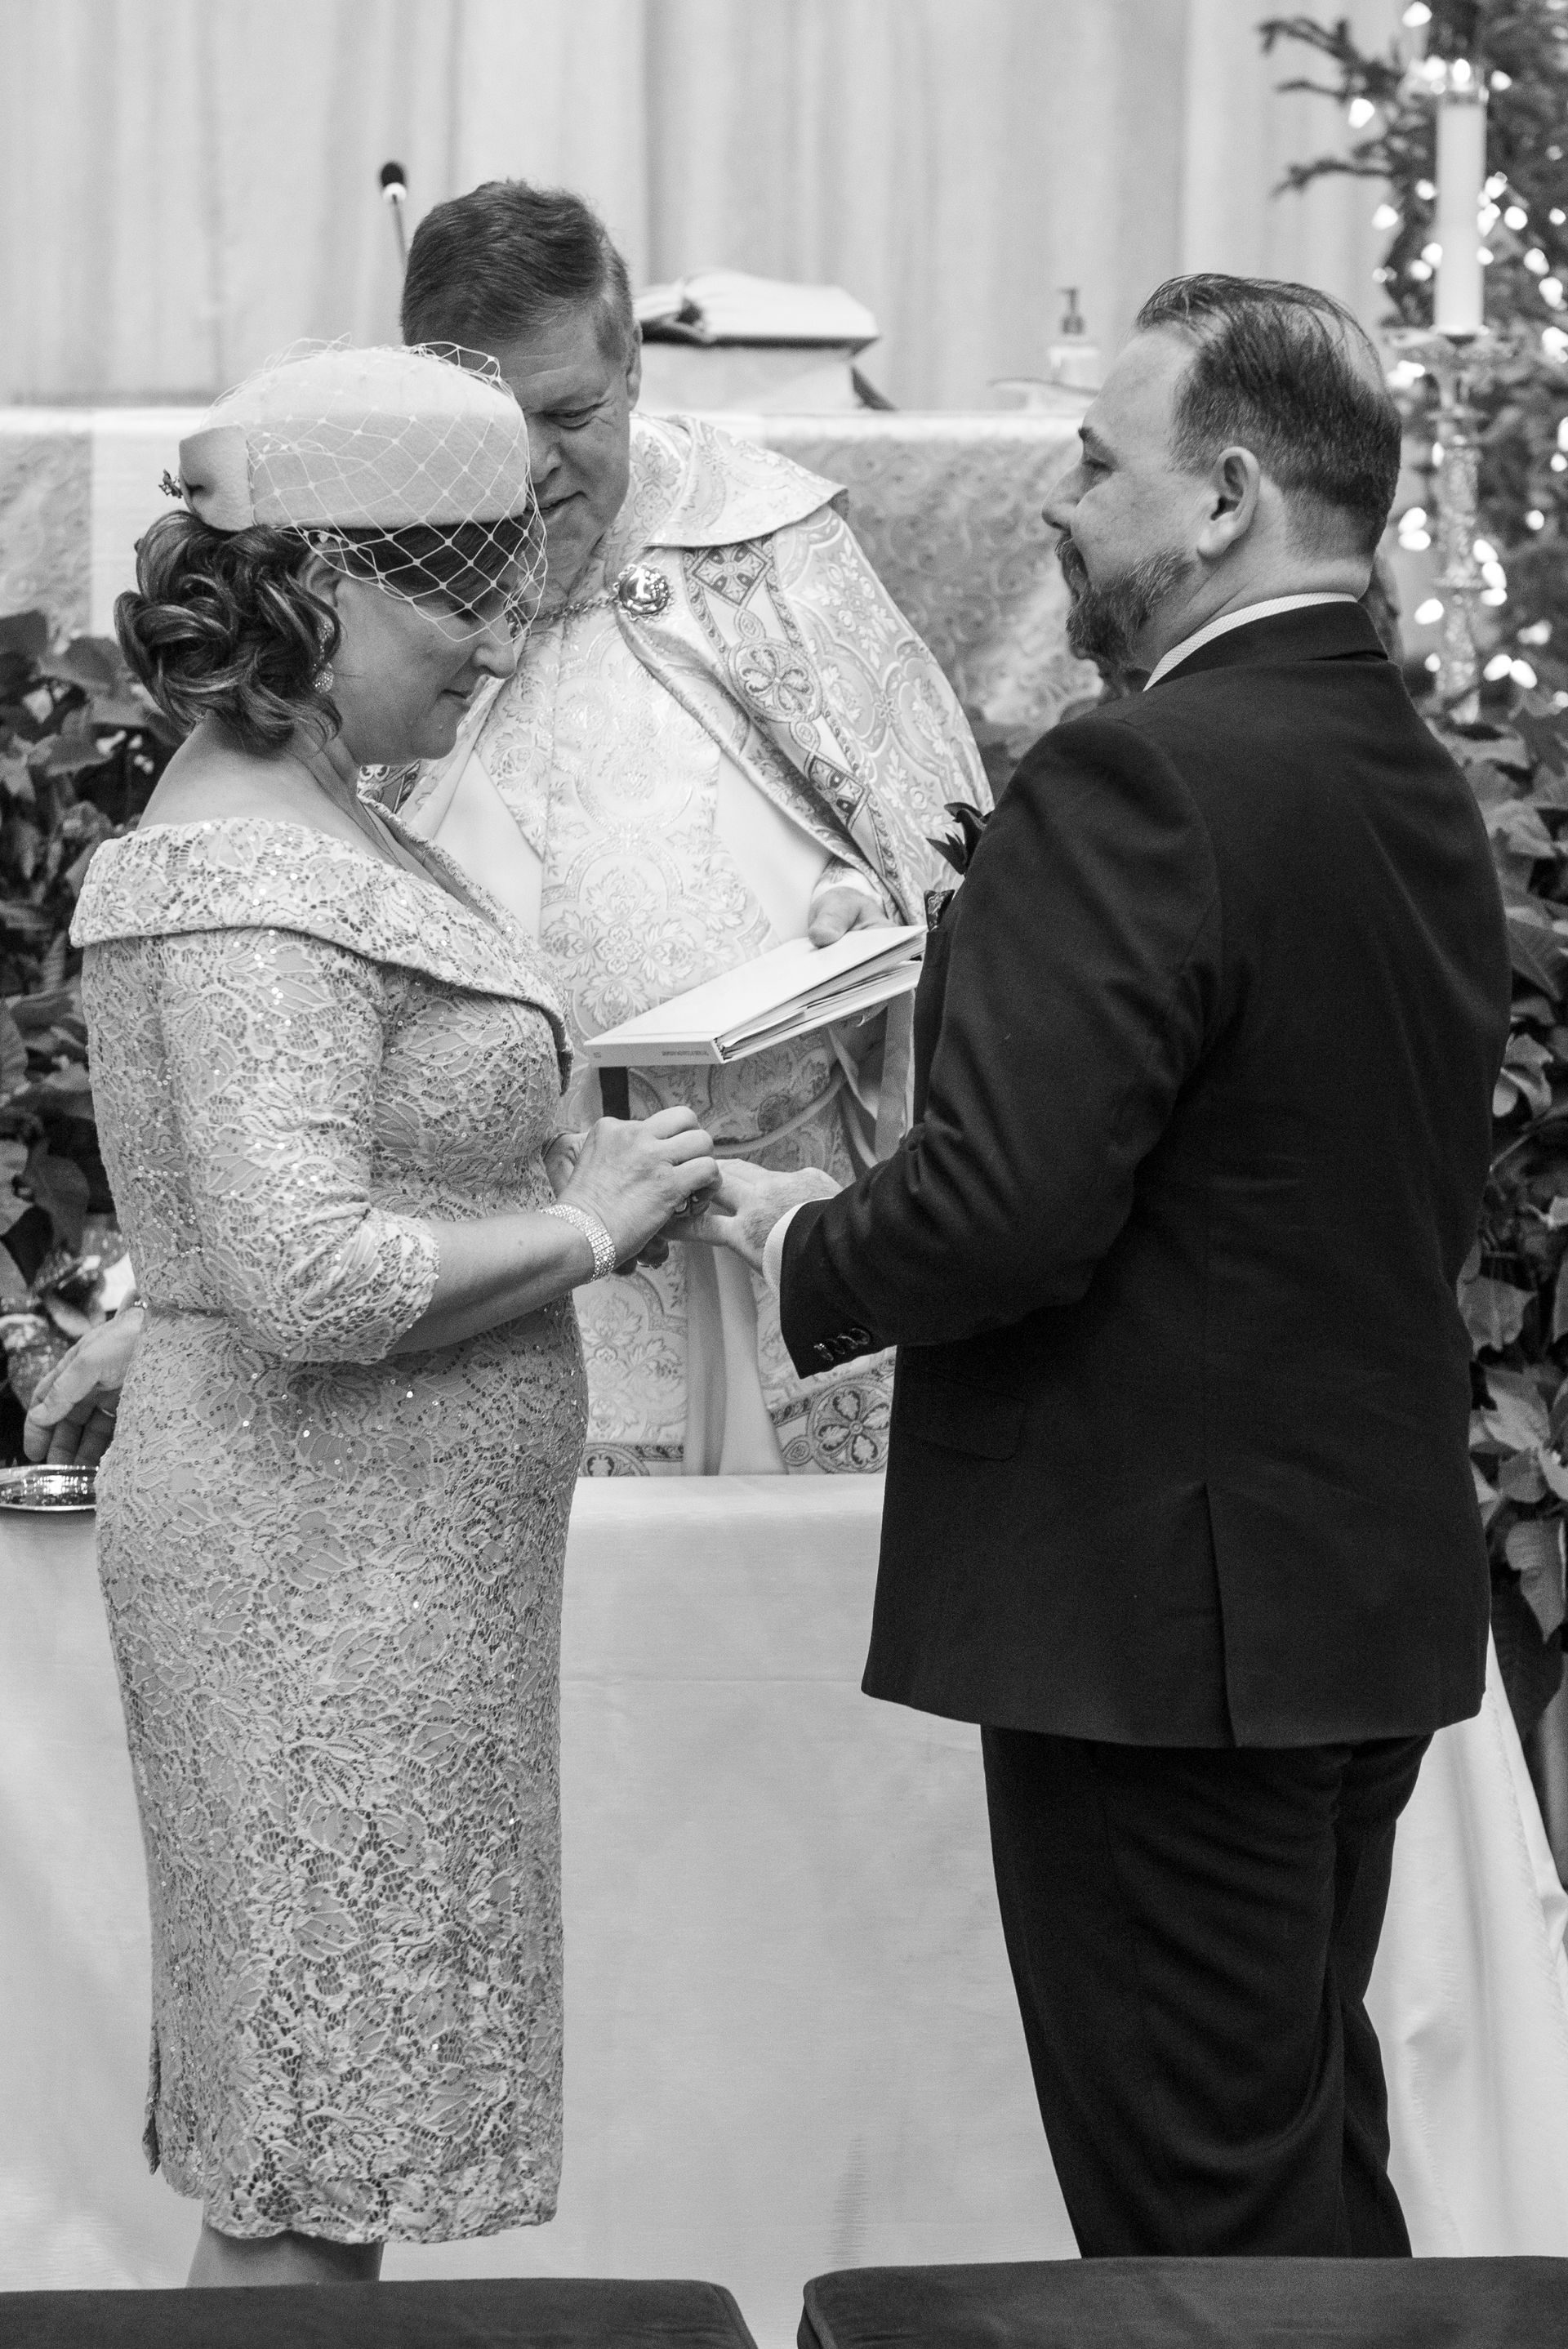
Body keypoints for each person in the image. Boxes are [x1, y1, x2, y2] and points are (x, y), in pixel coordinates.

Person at [687, 275, 1512, 2255]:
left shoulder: (1141, 773)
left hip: (1168, 1635)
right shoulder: (1404, 768)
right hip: (1341, 1595)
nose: (1057, 499)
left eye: (1093, 459)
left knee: (1196, 2247)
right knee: (1298, 2189)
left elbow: (1004, 1208)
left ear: (1222, 497)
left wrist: (802, 1234)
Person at [67, 343, 717, 2287]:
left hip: (369, 1579)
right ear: (323, 580)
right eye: (455, 587)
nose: (495, 636)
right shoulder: (263, 865)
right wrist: (585, 1231)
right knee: (304, 2155)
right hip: (311, 1579)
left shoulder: (317, 813)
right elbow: (305, 1271)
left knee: (313, 2154)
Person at [387, 179, 988, 1476]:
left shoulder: (760, 545)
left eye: (572, 415)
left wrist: (853, 905)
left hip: (779, 1218)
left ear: (635, 365)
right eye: (493, 427)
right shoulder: (380, 587)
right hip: (512, 1253)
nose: (538, 466)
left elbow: (938, 863)